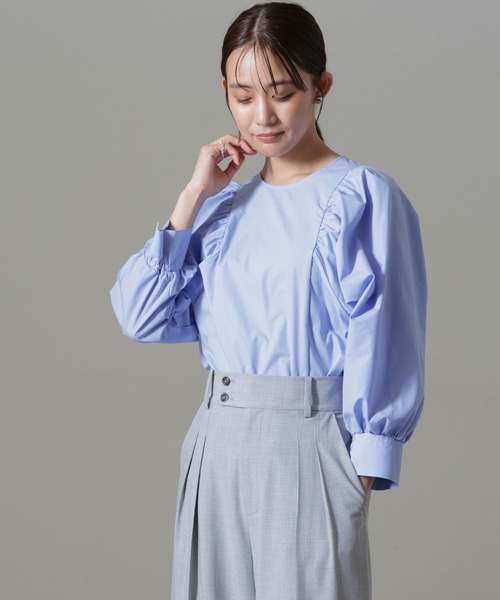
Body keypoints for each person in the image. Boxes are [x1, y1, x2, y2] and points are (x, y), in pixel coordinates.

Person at [110, 2, 427, 599]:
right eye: (243, 96)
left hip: (310, 444)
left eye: (282, 93)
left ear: (320, 86)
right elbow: (139, 316)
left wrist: (360, 472)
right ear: (225, 94)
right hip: (215, 442)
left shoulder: (363, 197)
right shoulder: (222, 212)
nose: (263, 116)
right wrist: (193, 196)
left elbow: (387, 334)